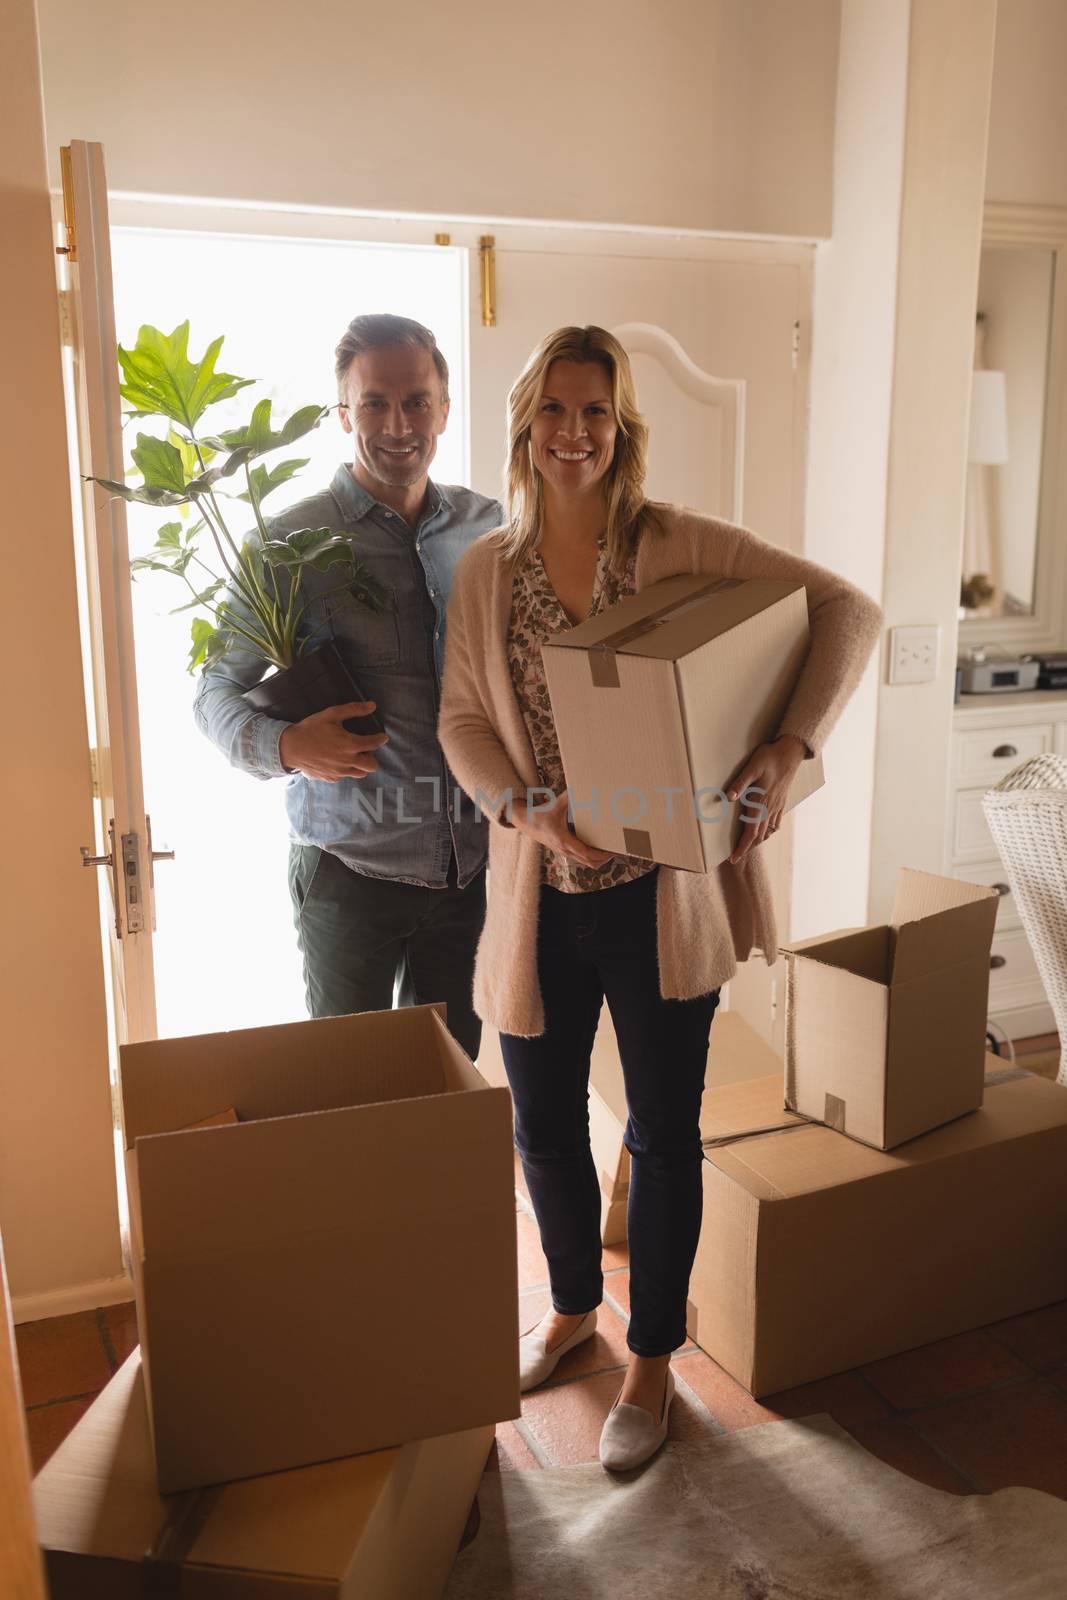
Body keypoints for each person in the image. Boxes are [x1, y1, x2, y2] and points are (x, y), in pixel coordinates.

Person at [439, 325, 882, 1470]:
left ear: (618, 427)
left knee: (664, 1134)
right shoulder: (487, 571)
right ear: (525, 425)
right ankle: (573, 1310)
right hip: (540, 892)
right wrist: (517, 806)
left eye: (593, 413)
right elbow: (461, 721)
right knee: (539, 1125)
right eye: (553, 412)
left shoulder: (678, 543)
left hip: (657, 898)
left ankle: (650, 1359)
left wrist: (787, 747)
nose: (572, 433)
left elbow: (846, 609)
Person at [194, 314, 501, 1058]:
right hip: (348, 872)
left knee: (447, 1082)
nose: (398, 424)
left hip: (470, 867)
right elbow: (215, 691)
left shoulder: (488, 528)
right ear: (343, 415)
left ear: (444, 411)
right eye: (374, 403)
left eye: (417, 401)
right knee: (350, 1090)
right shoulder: (288, 545)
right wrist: (288, 744)